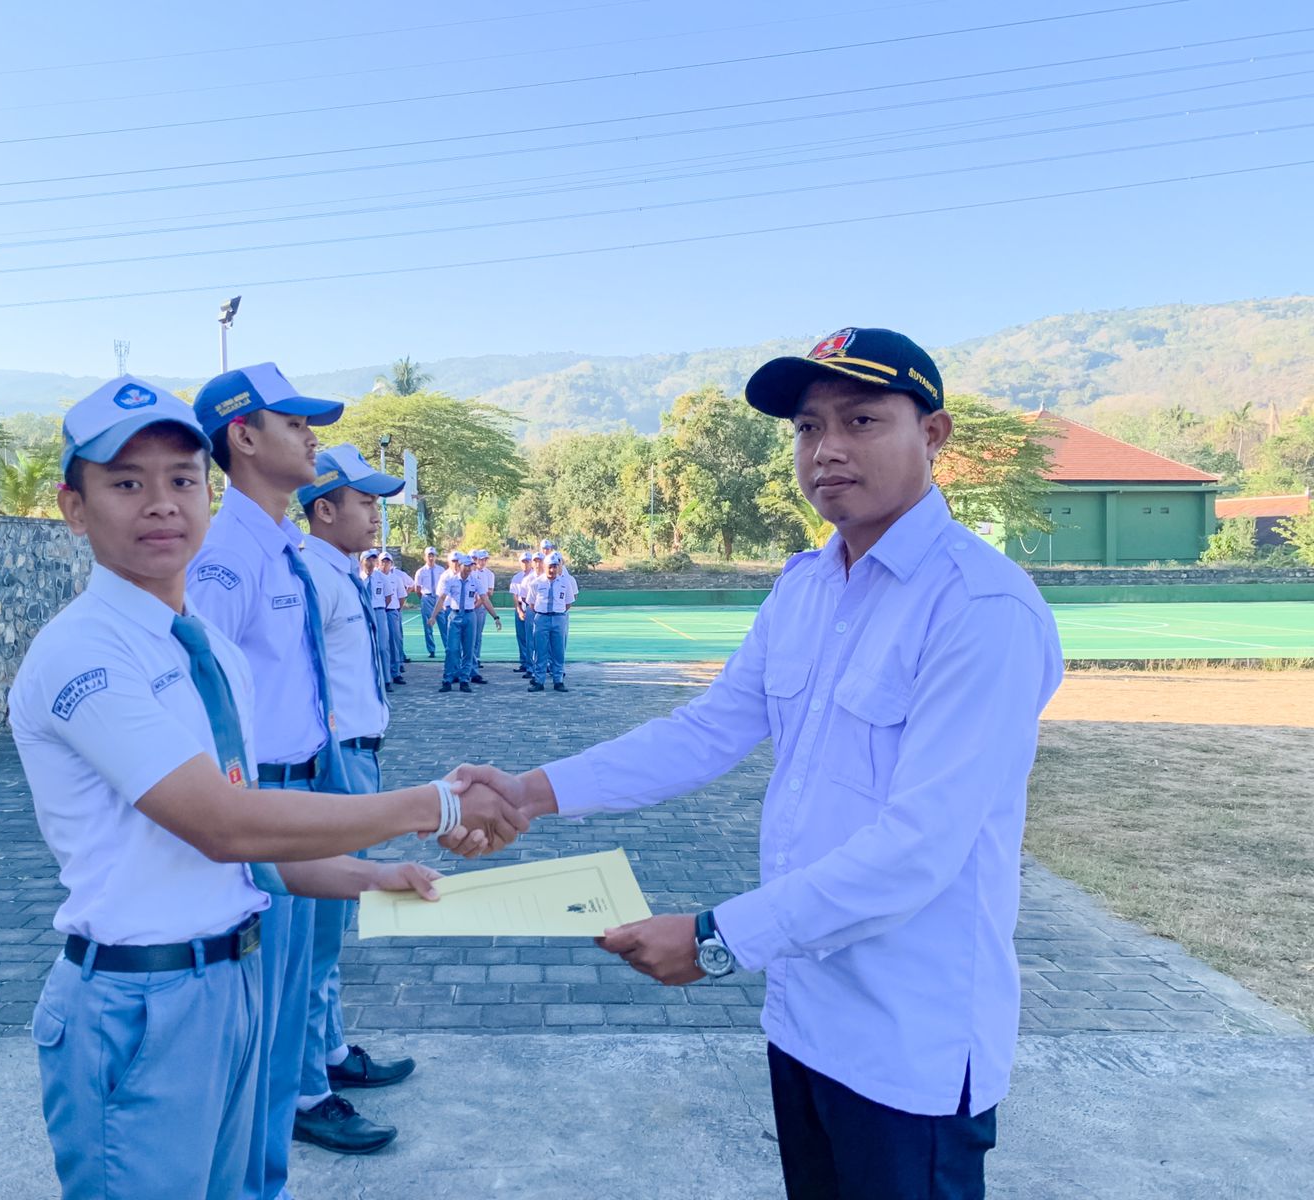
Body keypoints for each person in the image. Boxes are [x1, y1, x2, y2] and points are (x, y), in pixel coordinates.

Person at [455, 328, 1064, 1200]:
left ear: (934, 435)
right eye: (809, 428)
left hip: (909, 1036)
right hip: (805, 1011)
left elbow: (918, 848)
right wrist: (528, 791)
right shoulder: (805, 588)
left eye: (861, 419)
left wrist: (713, 941)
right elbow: (704, 732)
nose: (829, 450)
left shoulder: (981, 606)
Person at [10, 377, 525, 1200]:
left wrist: (371, 873)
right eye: (125, 483)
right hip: (142, 1002)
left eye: (181, 480)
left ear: (208, 494)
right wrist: (437, 804)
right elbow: (224, 824)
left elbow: (249, 860)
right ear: (75, 508)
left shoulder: (207, 647)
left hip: (237, 980)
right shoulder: (84, 654)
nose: (160, 505)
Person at [184, 363, 393, 1192]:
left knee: (294, 996)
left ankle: (268, 1171)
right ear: (243, 436)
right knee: (261, 1027)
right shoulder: (226, 555)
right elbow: (206, 702)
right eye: (293, 422)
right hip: (265, 796)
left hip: (310, 781)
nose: (312, 436)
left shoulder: (277, 544)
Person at [296, 445, 421, 1148]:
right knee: (317, 931)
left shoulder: (341, 572)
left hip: (358, 756)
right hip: (335, 761)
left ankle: (333, 1054)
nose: (376, 514)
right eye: (365, 503)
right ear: (324, 509)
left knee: (335, 926)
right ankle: (308, 1089)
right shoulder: (310, 578)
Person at [436, 553, 499, 694]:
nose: (469, 569)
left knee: (469, 649)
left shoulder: (475, 581)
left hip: (470, 616)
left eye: (471, 566)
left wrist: (495, 616)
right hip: (455, 614)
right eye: (466, 566)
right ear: (460, 566)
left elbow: (485, 598)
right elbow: (441, 598)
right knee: (452, 649)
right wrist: (434, 615)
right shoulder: (450, 580)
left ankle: (465, 680)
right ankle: (448, 679)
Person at [526, 552, 577, 693]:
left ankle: (558, 680)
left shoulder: (565, 582)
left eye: (555, 567)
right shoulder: (536, 583)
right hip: (541, 618)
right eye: (550, 567)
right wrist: (543, 613)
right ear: (544, 566)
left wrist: (557, 612)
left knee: (558, 651)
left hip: (559, 618)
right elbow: (531, 603)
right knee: (540, 651)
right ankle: (539, 680)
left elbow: (568, 603)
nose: (552, 570)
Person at [360, 550, 396, 686]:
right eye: (368, 560)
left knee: (382, 647)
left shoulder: (381, 577)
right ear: (362, 562)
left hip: (379, 612)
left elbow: (388, 596)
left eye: (373, 560)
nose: (370, 563)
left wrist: (379, 608)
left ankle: (386, 679)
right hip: (364, 614)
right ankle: (369, 680)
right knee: (366, 647)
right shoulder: (358, 578)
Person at [413, 547, 448, 658]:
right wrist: (424, 598)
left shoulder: (441, 570)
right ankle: (431, 650)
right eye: (429, 555)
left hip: (439, 598)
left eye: (433, 555)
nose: (431, 558)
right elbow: (417, 589)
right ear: (425, 557)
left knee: (444, 624)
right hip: (427, 598)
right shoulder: (420, 572)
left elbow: (445, 586)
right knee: (428, 625)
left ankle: (448, 648)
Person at [379, 551, 408, 686]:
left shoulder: (396, 578)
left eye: (388, 562)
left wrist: (396, 609)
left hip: (391, 611)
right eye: (383, 561)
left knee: (394, 642)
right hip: (379, 612)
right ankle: (382, 672)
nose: (385, 564)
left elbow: (402, 597)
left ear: (391, 564)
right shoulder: (375, 577)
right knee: (381, 644)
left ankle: (395, 672)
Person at [509, 551, 539, 679]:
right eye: (523, 561)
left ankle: (533, 665)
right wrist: (519, 610)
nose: (525, 564)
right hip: (521, 608)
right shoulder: (516, 577)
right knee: (521, 636)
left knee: (532, 638)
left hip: (532, 609)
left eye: (528, 561)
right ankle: (524, 662)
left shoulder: (535, 576)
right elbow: (516, 596)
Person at [470, 550, 494, 671]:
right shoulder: (471, 573)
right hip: (469, 606)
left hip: (480, 606)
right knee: (469, 635)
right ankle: (469, 658)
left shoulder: (490, 574)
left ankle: (476, 658)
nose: (483, 562)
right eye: (480, 559)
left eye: (485, 559)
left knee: (478, 634)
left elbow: (488, 593)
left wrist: (477, 603)